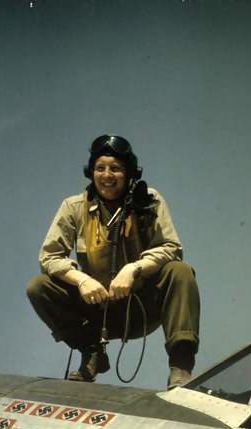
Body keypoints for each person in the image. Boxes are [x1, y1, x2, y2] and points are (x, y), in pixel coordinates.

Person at [26, 135, 200, 388]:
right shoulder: (74, 207)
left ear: (129, 173)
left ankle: (180, 366)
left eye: (115, 169)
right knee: (38, 286)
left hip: (140, 306)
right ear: (91, 172)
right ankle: (91, 351)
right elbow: (50, 256)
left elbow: (171, 247)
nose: (107, 175)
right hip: (96, 308)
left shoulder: (150, 201)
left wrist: (134, 269)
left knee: (180, 272)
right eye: (100, 168)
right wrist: (82, 280)